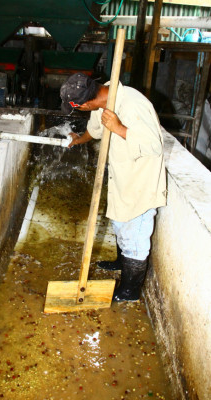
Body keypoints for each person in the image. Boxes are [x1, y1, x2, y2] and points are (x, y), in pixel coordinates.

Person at [60, 72, 167, 302]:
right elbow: (97, 130)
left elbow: (153, 145)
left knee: (135, 236)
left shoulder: (131, 104)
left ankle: (130, 291)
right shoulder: (103, 101)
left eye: (78, 108)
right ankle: (122, 262)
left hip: (140, 182)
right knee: (120, 222)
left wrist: (118, 127)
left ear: (87, 103)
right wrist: (79, 139)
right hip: (123, 175)